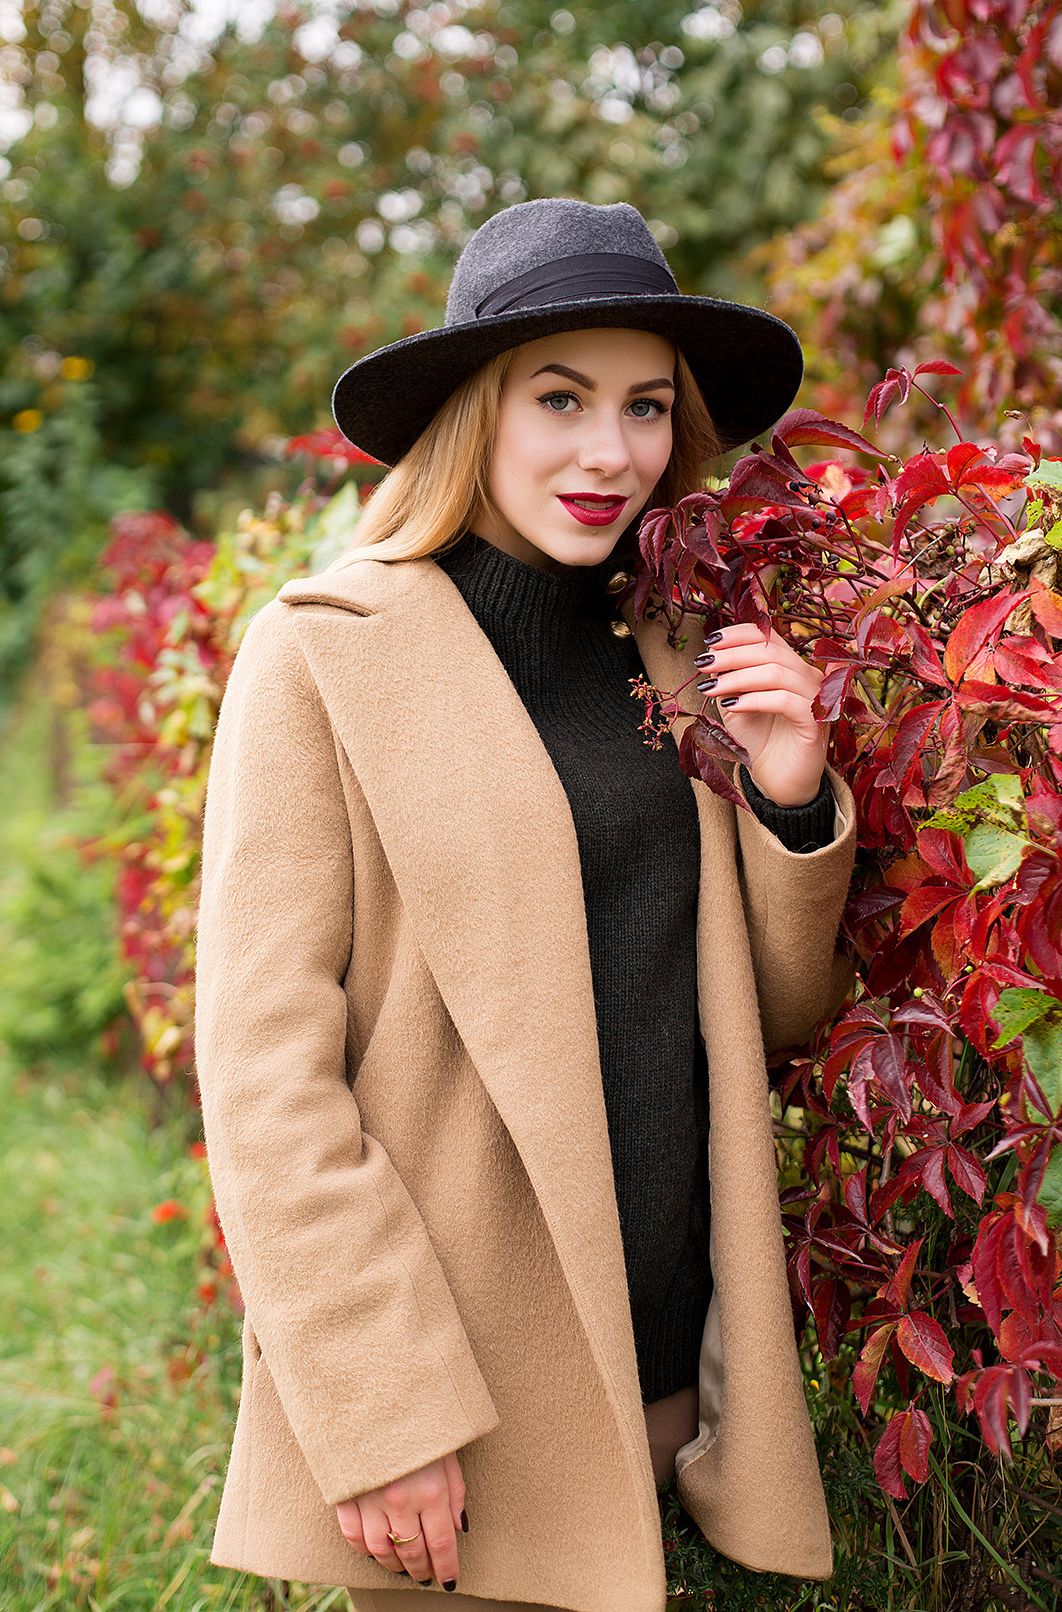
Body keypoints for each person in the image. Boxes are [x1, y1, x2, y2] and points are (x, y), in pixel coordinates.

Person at [194, 199, 856, 1612]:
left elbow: (758, 1024)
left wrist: (792, 801)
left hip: (666, 1360)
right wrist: (382, 1408)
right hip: (463, 1395)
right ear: (474, 412)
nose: (608, 452)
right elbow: (266, 1078)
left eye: (643, 407)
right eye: (559, 399)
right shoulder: (324, 654)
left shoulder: (675, 653)